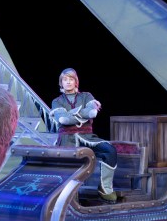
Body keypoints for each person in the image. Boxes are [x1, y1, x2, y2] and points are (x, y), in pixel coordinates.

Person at [49, 68, 119, 202]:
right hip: (66, 139)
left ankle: (105, 188)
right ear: (61, 83)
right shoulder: (57, 101)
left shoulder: (86, 96)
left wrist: (71, 114)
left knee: (109, 150)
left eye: (71, 79)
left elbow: (93, 113)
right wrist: (83, 113)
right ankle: (66, 196)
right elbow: (63, 120)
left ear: (76, 81)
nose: (68, 82)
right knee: (69, 163)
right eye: (65, 79)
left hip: (87, 137)